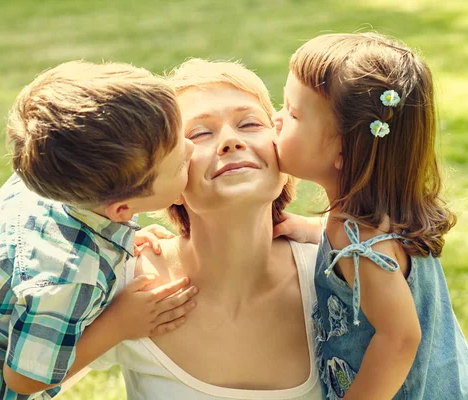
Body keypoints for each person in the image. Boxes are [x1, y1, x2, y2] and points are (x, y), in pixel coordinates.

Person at [0, 60, 198, 399]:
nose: (193, 149)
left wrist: (120, 243)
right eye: (180, 162)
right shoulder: (67, 276)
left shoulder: (51, 178)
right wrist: (121, 323)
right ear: (120, 209)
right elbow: (24, 378)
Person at [273, 32, 468, 399]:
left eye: (293, 113)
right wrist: (308, 229)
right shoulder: (379, 218)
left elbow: (401, 337)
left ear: (344, 149)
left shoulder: (361, 243)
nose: (276, 119)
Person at [91, 59, 323, 400]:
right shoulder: (125, 289)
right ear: (165, 179)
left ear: (283, 152)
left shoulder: (337, 276)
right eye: (200, 133)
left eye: (249, 123)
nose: (230, 140)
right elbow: (11, 379)